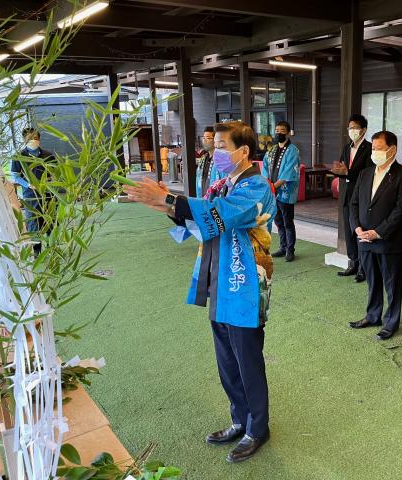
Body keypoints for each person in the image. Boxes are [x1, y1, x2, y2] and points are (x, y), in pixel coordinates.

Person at [124, 121, 276, 463]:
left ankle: (258, 428)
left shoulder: (257, 188)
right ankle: (240, 420)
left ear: (244, 151)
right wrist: (162, 205)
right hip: (218, 280)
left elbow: (221, 215)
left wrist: (168, 198)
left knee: (247, 360)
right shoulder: (222, 184)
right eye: (215, 145)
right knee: (226, 360)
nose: (215, 151)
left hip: (244, 284)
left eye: (222, 145)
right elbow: (199, 220)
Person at [348, 131, 402, 340]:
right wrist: (357, 227)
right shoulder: (365, 173)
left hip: (388, 241)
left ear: (392, 149)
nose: (374, 152)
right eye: (373, 148)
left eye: (379, 148)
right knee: (372, 280)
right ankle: (373, 315)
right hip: (364, 239)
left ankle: (391, 322)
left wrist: (378, 232)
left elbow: (400, 211)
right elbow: (354, 203)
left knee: (392, 283)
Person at [332, 114, 373, 282]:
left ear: (363, 130)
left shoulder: (370, 148)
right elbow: (343, 169)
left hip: (363, 194)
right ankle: (352, 263)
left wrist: (348, 172)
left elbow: (368, 173)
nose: (352, 131)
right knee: (349, 229)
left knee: (360, 228)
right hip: (348, 192)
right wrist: (339, 172)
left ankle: (363, 268)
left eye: (355, 127)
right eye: (350, 128)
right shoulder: (346, 148)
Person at [11, 127, 55, 255]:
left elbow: (55, 172)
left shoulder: (48, 155)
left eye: (35, 138)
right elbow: (15, 177)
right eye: (30, 139)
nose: (33, 141)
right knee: (34, 223)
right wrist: (28, 184)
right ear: (25, 140)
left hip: (48, 194)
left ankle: (53, 247)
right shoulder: (19, 156)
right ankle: (37, 252)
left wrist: (50, 181)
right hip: (30, 196)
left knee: (50, 221)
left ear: (39, 140)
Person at [262, 120, 300, 262]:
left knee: (288, 221)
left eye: (282, 130)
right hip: (273, 192)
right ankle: (283, 247)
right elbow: (265, 168)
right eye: (277, 130)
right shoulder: (271, 150)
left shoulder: (293, 150)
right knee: (278, 221)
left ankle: (290, 249)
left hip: (285, 192)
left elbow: (289, 171)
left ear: (288, 133)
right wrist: (268, 185)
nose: (278, 133)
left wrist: (274, 186)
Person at [196, 126, 222, 198]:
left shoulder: (221, 160)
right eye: (203, 138)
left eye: (208, 138)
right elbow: (197, 180)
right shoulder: (203, 159)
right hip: (202, 198)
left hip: (214, 200)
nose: (204, 140)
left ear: (215, 140)